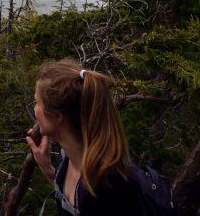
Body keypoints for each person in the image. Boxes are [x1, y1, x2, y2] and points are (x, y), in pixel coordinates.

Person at [25, 59, 142, 215]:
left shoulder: (109, 186)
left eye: (36, 102)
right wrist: (48, 170)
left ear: (58, 116)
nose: (35, 109)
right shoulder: (66, 158)